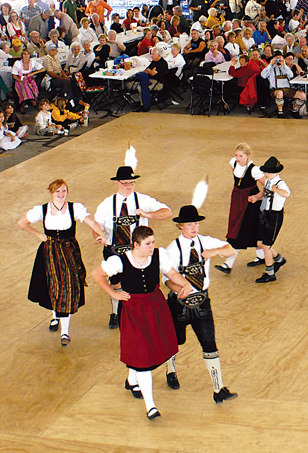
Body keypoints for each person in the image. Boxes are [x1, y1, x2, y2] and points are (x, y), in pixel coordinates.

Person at [91, 226, 192, 420]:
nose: (152, 247)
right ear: (136, 245)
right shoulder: (119, 261)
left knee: (145, 348)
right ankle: (151, 406)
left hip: (155, 307)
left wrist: (185, 283)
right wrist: (114, 293)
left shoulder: (159, 256)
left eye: (153, 242)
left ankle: (131, 380)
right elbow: (97, 274)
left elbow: (171, 274)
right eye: (148, 244)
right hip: (133, 310)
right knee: (142, 355)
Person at [160, 185, 238, 403]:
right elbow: (167, 279)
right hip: (180, 305)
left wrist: (215, 252)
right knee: (174, 342)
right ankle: (170, 369)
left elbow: (231, 249)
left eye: (196, 223)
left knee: (210, 344)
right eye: (189, 224)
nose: (194, 227)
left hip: (203, 302)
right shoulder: (172, 249)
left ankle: (218, 388)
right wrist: (179, 290)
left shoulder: (205, 241)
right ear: (180, 226)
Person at [18, 179, 104, 347]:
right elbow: (22, 223)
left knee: (67, 287)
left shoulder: (74, 208)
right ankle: (55, 316)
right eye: (57, 191)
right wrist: (38, 235)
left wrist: (101, 234)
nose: (61, 194)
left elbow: (91, 222)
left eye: (63, 191)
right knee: (53, 285)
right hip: (49, 251)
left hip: (68, 250)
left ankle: (65, 331)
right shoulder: (42, 210)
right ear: (51, 193)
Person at [93, 150, 173, 329]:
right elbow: (96, 225)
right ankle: (115, 312)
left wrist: (147, 214)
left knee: (136, 284)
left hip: (135, 252)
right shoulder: (107, 204)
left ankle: (136, 314)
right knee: (116, 284)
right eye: (125, 183)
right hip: (114, 249)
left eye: (132, 182)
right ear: (117, 183)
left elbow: (167, 212)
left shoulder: (142, 200)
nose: (129, 186)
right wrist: (99, 236)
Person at [217, 143, 266, 271]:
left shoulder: (254, 170)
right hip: (238, 200)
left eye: (241, 156)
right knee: (251, 231)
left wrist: (256, 197)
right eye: (236, 155)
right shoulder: (233, 163)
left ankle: (228, 264)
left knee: (240, 230)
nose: (238, 158)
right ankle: (262, 257)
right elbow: (237, 181)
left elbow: (268, 186)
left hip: (250, 203)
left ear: (248, 156)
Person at [254, 156, 290, 284]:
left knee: (266, 246)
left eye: (268, 172)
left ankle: (270, 273)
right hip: (266, 214)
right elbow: (264, 193)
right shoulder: (269, 182)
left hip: (274, 216)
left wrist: (276, 190)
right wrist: (256, 197)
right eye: (265, 171)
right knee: (261, 243)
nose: (266, 174)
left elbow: (287, 193)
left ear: (276, 172)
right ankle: (279, 260)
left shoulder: (280, 183)